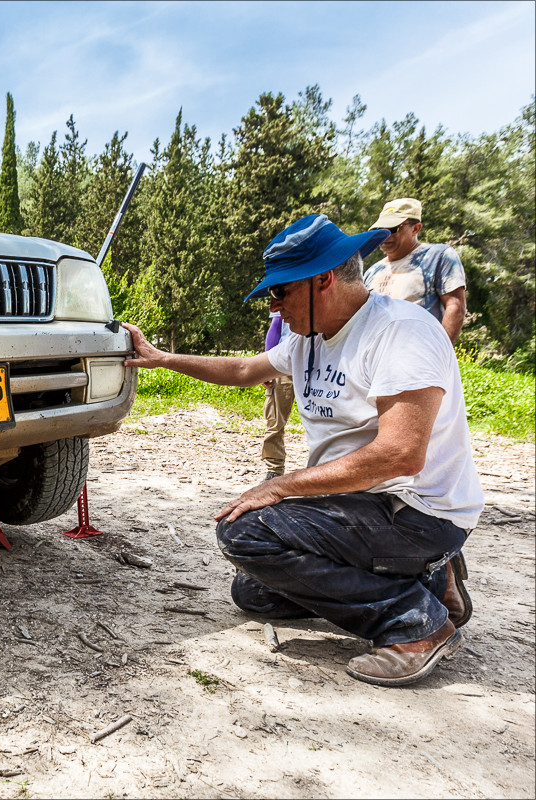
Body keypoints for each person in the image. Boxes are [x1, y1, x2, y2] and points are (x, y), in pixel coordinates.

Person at [123, 213, 483, 687]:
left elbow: (400, 455)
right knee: (255, 593)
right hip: (360, 501)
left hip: (416, 510)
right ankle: (430, 579)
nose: (274, 307)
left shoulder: (401, 333)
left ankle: (415, 624)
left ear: (324, 279)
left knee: (246, 535)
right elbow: (243, 371)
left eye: (280, 292)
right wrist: (162, 359)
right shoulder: (307, 339)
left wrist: (280, 487)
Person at [363, 197, 467, 343]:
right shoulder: (372, 272)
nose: (385, 236)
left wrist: (440, 354)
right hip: (375, 360)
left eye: (393, 229)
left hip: (419, 358)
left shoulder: (438, 256)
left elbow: (455, 306)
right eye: (380, 230)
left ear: (416, 228)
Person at [261, 311, 294, 481]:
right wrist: (267, 365)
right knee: (275, 419)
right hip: (283, 362)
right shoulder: (283, 290)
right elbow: (276, 325)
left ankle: (326, 468)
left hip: (318, 359)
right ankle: (274, 469)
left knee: (324, 416)